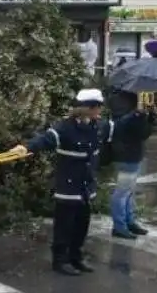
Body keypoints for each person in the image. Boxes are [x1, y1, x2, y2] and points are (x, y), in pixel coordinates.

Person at [10, 89, 113, 276]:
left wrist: (143, 117)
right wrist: (25, 148)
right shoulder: (65, 128)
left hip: (85, 187)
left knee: (82, 224)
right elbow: (45, 139)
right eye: (97, 107)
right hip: (68, 185)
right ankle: (60, 260)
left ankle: (76, 257)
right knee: (65, 225)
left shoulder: (98, 126)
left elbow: (122, 128)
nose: (100, 110)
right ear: (87, 108)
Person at [109, 90, 157, 239]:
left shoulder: (138, 99)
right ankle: (119, 226)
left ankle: (129, 221)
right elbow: (119, 126)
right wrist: (136, 114)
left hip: (135, 153)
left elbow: (143, 133)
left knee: (129, 191)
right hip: (125, 154)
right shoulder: (118, 99)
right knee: (122, 192)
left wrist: (151, 117)